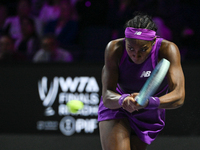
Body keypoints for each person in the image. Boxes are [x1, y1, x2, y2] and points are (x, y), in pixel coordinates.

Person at [98, 12, 185, 150]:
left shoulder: (168, 49)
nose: (136, 54)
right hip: (117, 107)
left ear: (154, 41)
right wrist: (124, 100)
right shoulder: (114, 48)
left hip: (149, 112)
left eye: (143, 49)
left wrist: (149, 102)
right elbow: (107, 96)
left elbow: (179, 96)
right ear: (125, 41)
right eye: (131, 48)